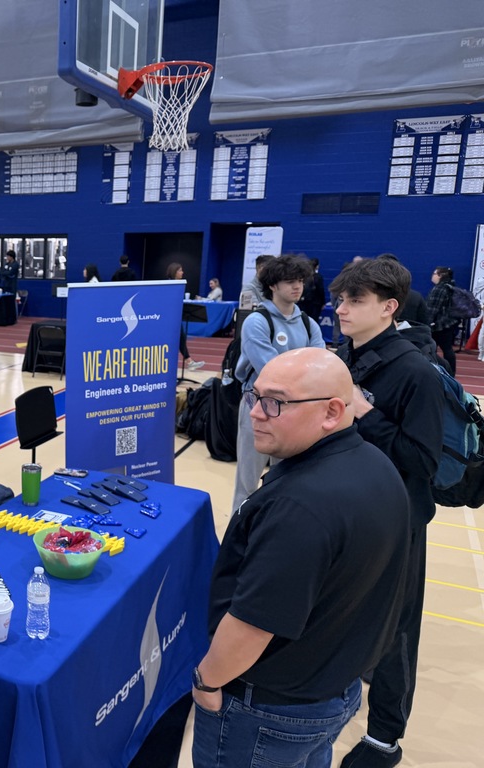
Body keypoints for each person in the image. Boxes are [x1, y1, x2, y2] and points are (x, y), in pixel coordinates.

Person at [192, 347, 411, 768]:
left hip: (270, 708)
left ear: (331, 411)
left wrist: (206, 680)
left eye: (275, 403)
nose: (255, 413)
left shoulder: (301, 508)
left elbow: (253, 624)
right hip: (331, 686)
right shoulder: (375, 465)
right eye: (254, 396)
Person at [330, 258, 445, 768]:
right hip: (342, 505)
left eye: (355, 300)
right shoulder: (345, 356)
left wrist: (366, 412)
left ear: (388, 307)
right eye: (340, 299)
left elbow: (421, 460)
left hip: (396, 518)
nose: (342, 309)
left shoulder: (415, 370)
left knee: (396, 630)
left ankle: (384, 738)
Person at [231, 254, 324, 511]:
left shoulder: (309, 324)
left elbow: (320, 367)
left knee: (284, 478)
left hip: (294, 411)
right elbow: (272, 372)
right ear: (272, 285)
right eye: (290, 281)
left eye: (301, 281)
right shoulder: (257, 322)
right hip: (258, 407)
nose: (297, 287)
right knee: (247, 482)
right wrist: (304, 372)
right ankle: (238, 535)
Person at [167, 263, 204, 372]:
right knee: (178, 338)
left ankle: (189, 361)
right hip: (170, 318)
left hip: (176, 317)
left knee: (181, 338)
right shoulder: (169, 285)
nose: (182, 272)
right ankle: (188, 361)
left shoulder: (179, 285)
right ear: (174, 272)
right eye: (180, 270)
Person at [426, 265, 459, 374]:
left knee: (431, 349)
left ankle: (432, 371)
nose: (432, 276)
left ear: (440, 275)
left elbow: (433, 308)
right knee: (447, 349)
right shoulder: (450, 286)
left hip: (438, 325)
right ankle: (451, 372)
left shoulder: (439, 289)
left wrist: (427, 323)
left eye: (434, 274)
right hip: (448, 324)